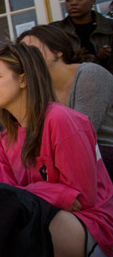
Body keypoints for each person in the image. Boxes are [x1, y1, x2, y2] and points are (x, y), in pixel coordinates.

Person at [0, 44, 112, 257]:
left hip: (92, 230)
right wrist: (55, 193)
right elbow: (8, 197)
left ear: (24, 79)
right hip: (44, 224)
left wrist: (29, 194)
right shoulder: (6, 138)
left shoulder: (62, 120)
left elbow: (82, 197)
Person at [17, 24, 113, 176]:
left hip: (104, 150)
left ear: (58, 50)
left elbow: (81, 135)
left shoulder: (90, 74)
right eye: (22, 53)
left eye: (33, 50)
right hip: (73, 156)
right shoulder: (42, 91)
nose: (27, 57)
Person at [51, 0, 113, 73]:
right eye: (68, 0)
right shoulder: (55, 30)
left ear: (93, 1)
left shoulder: (110, 27)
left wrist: (104, 58)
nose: (73, 3)